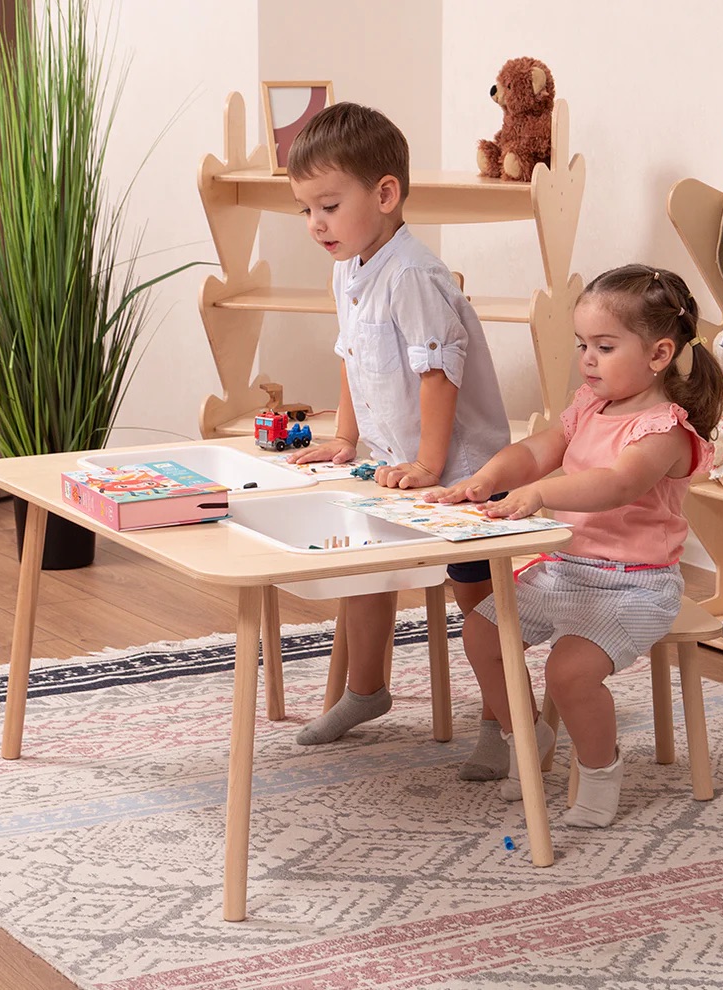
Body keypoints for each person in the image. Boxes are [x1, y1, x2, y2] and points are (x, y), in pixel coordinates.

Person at [427, 264, 723, 827]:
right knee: (480, 632)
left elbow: (618, 484)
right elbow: (537, 451)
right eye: (582, 344)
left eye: (604, 346)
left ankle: (600, 767)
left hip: (635, 586)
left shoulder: (663, 429)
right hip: (565, 570)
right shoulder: (589, 406)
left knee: (567, 673)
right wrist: (488, 478)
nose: (587, 358)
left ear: (659, 354)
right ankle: (528, 735)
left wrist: (541, 493)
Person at [284, 102, 511, 745]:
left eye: (328, 206)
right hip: (393, 463)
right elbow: (353, 356)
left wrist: (432, 465)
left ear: (386, 194)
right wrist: (344, 437)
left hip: (461, 469)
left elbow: (438, 375)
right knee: (361, 567)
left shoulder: (411, 273)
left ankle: (502, 718)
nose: (315, 224)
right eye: (305, 209)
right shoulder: (347, 269)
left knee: (476, 601)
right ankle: (367, 690)